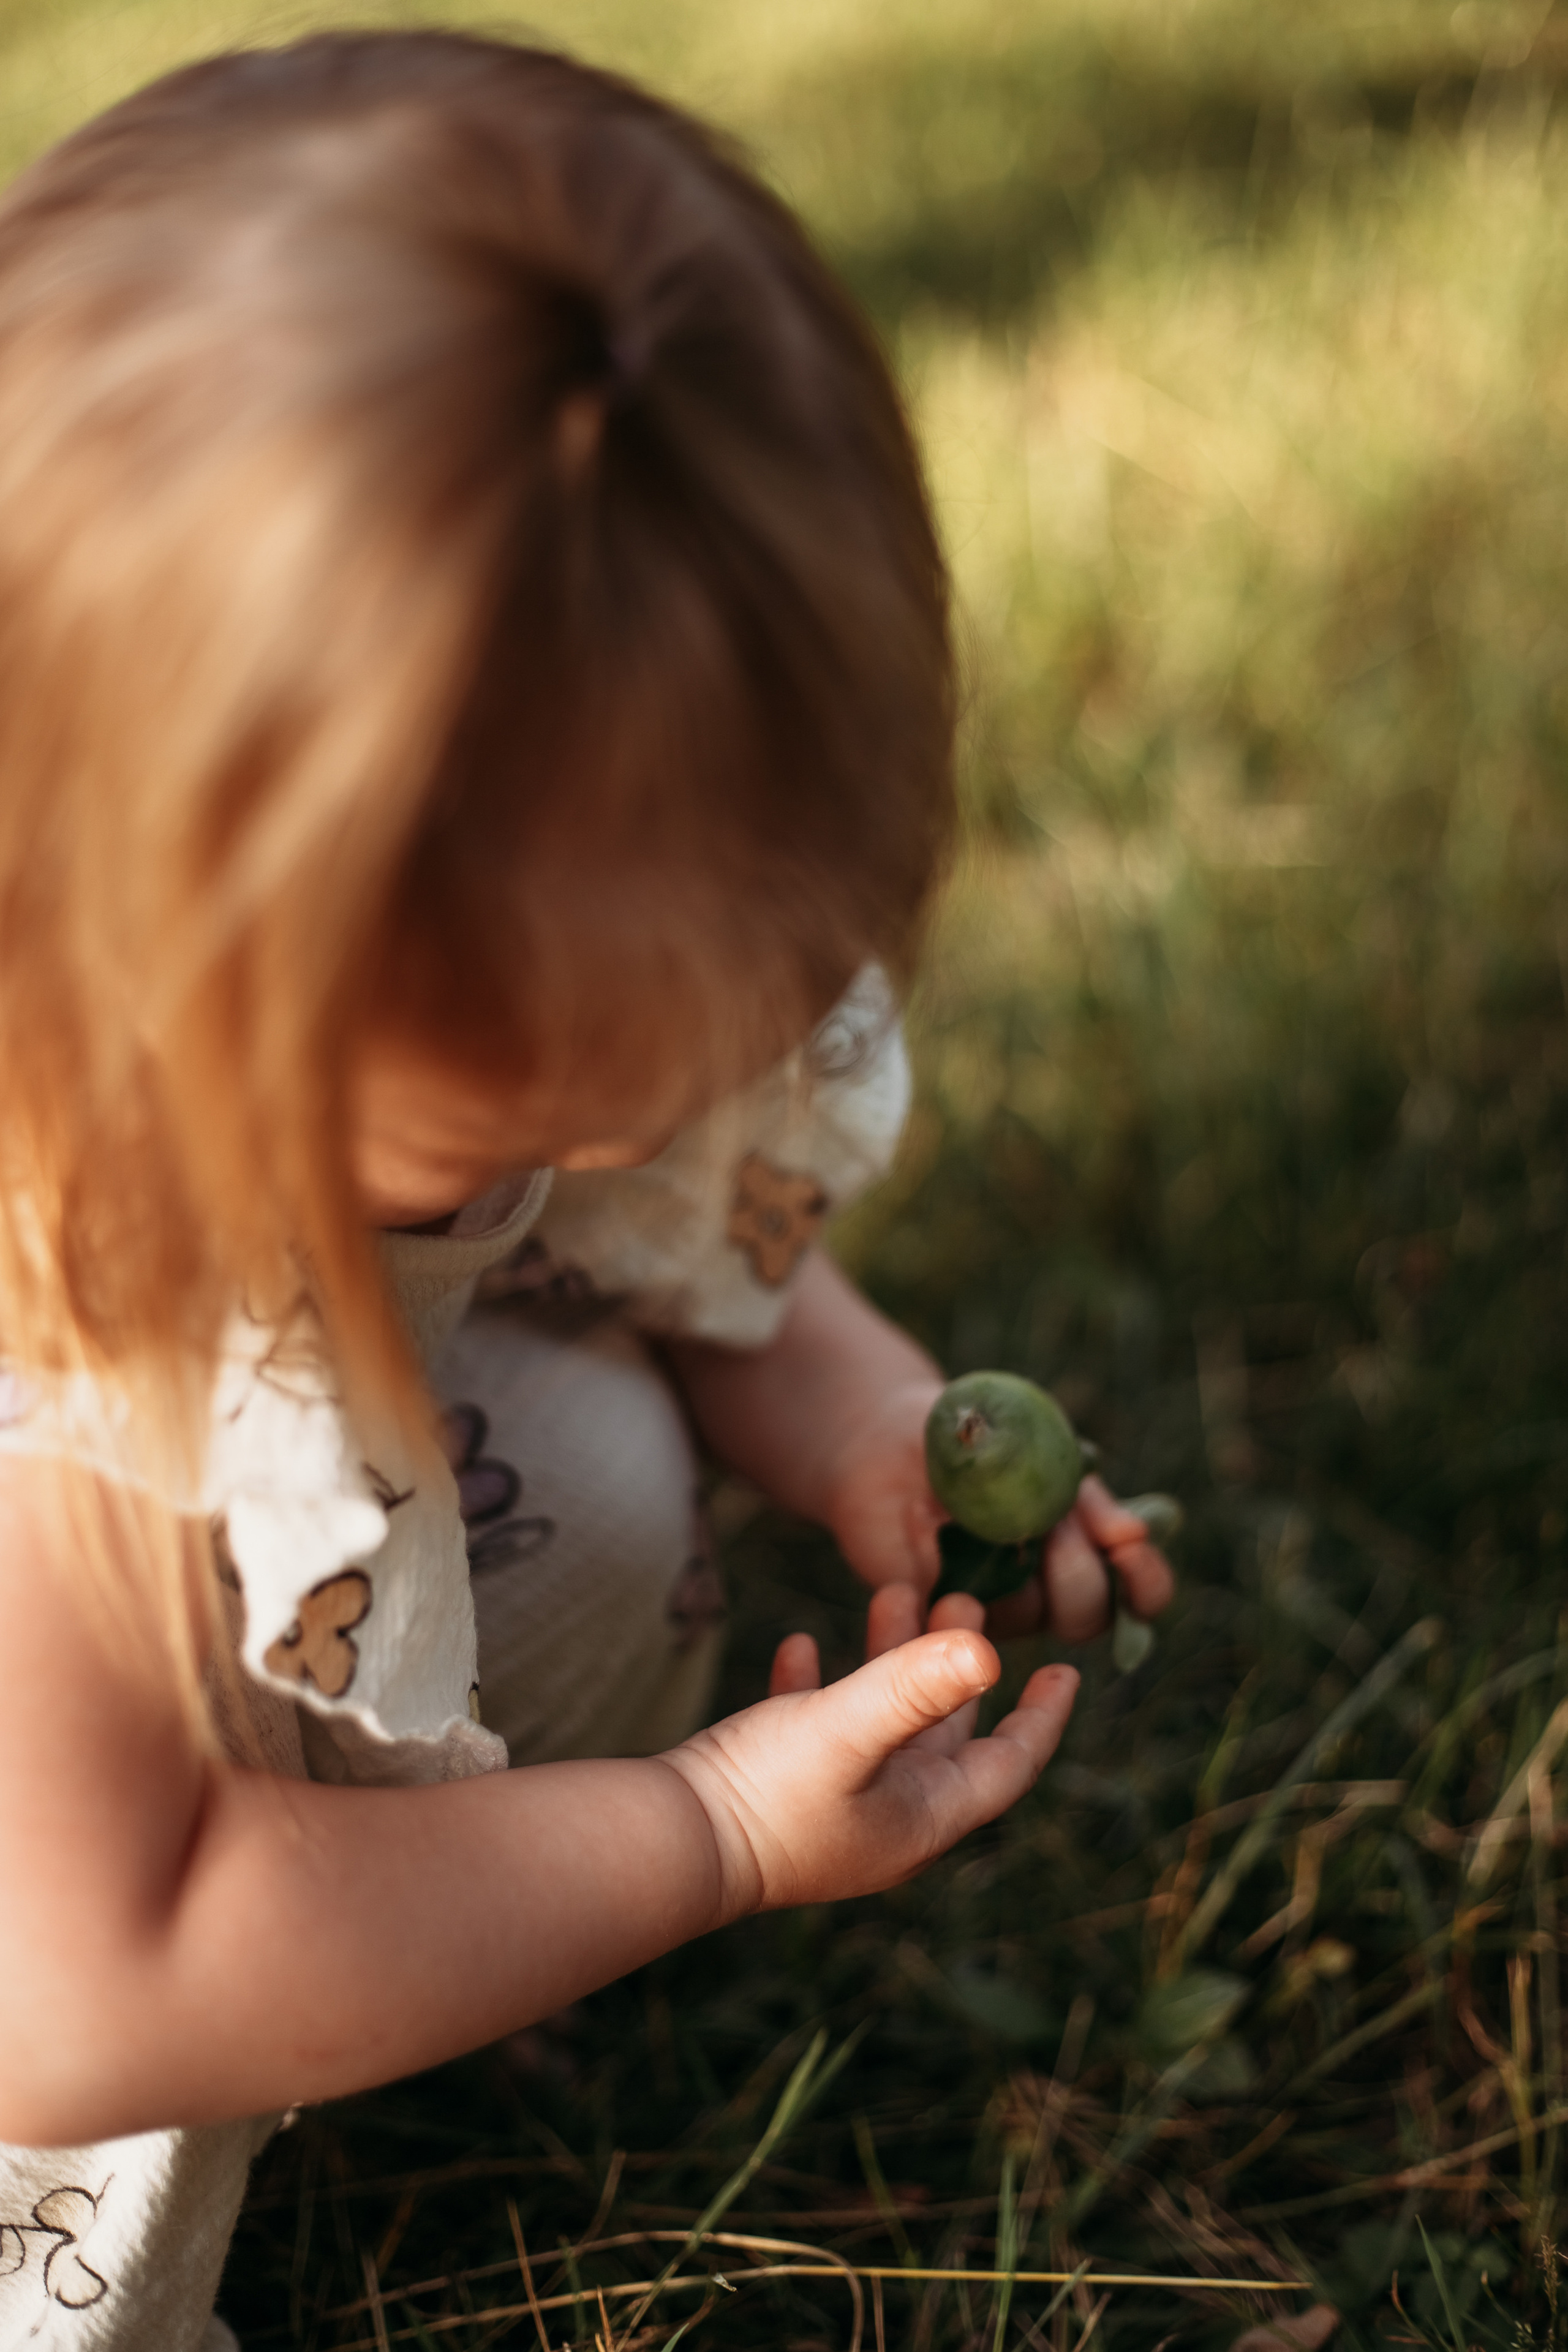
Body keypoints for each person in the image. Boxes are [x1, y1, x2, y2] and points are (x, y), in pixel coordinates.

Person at [0, 34, 1174, 2349]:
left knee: (619, 1476)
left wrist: (866, 1412)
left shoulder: (272, 1004)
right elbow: (78, 1982)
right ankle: (377, 1943)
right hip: (45, 1920)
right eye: (524, 1105)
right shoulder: (54, 1314)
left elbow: (646, 1255)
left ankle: (414, 1924)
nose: (623, 1151)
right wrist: (709, 1840)